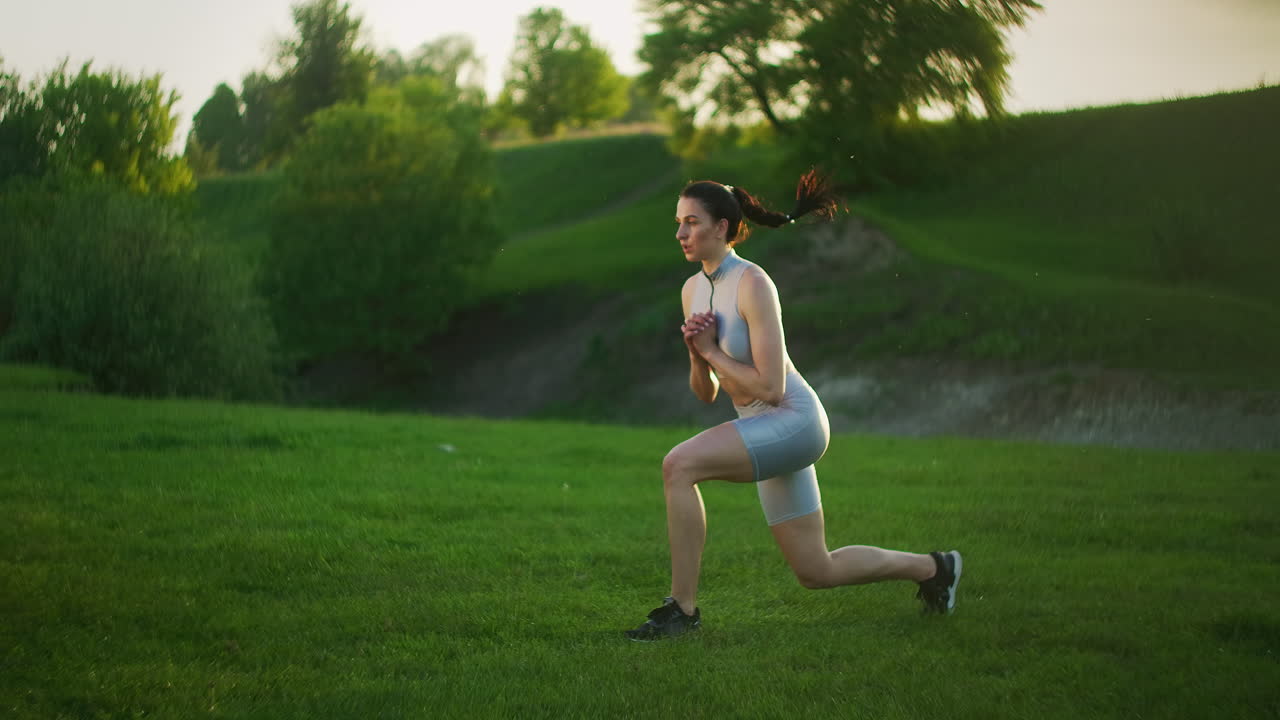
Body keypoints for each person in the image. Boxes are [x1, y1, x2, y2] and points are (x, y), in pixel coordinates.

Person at [625, 171, 962, 641]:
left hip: (794, 421)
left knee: (678, 466)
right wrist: (695, 353)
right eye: (679, 223)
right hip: (762, 426)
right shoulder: (692, 291)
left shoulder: (752, 283)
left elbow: (772, 387)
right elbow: (706, 393)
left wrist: (714, 352)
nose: (680, 233)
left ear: (721, 227)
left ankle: (682, 609)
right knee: (815, 570)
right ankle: (935, 569)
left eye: (691, 222)